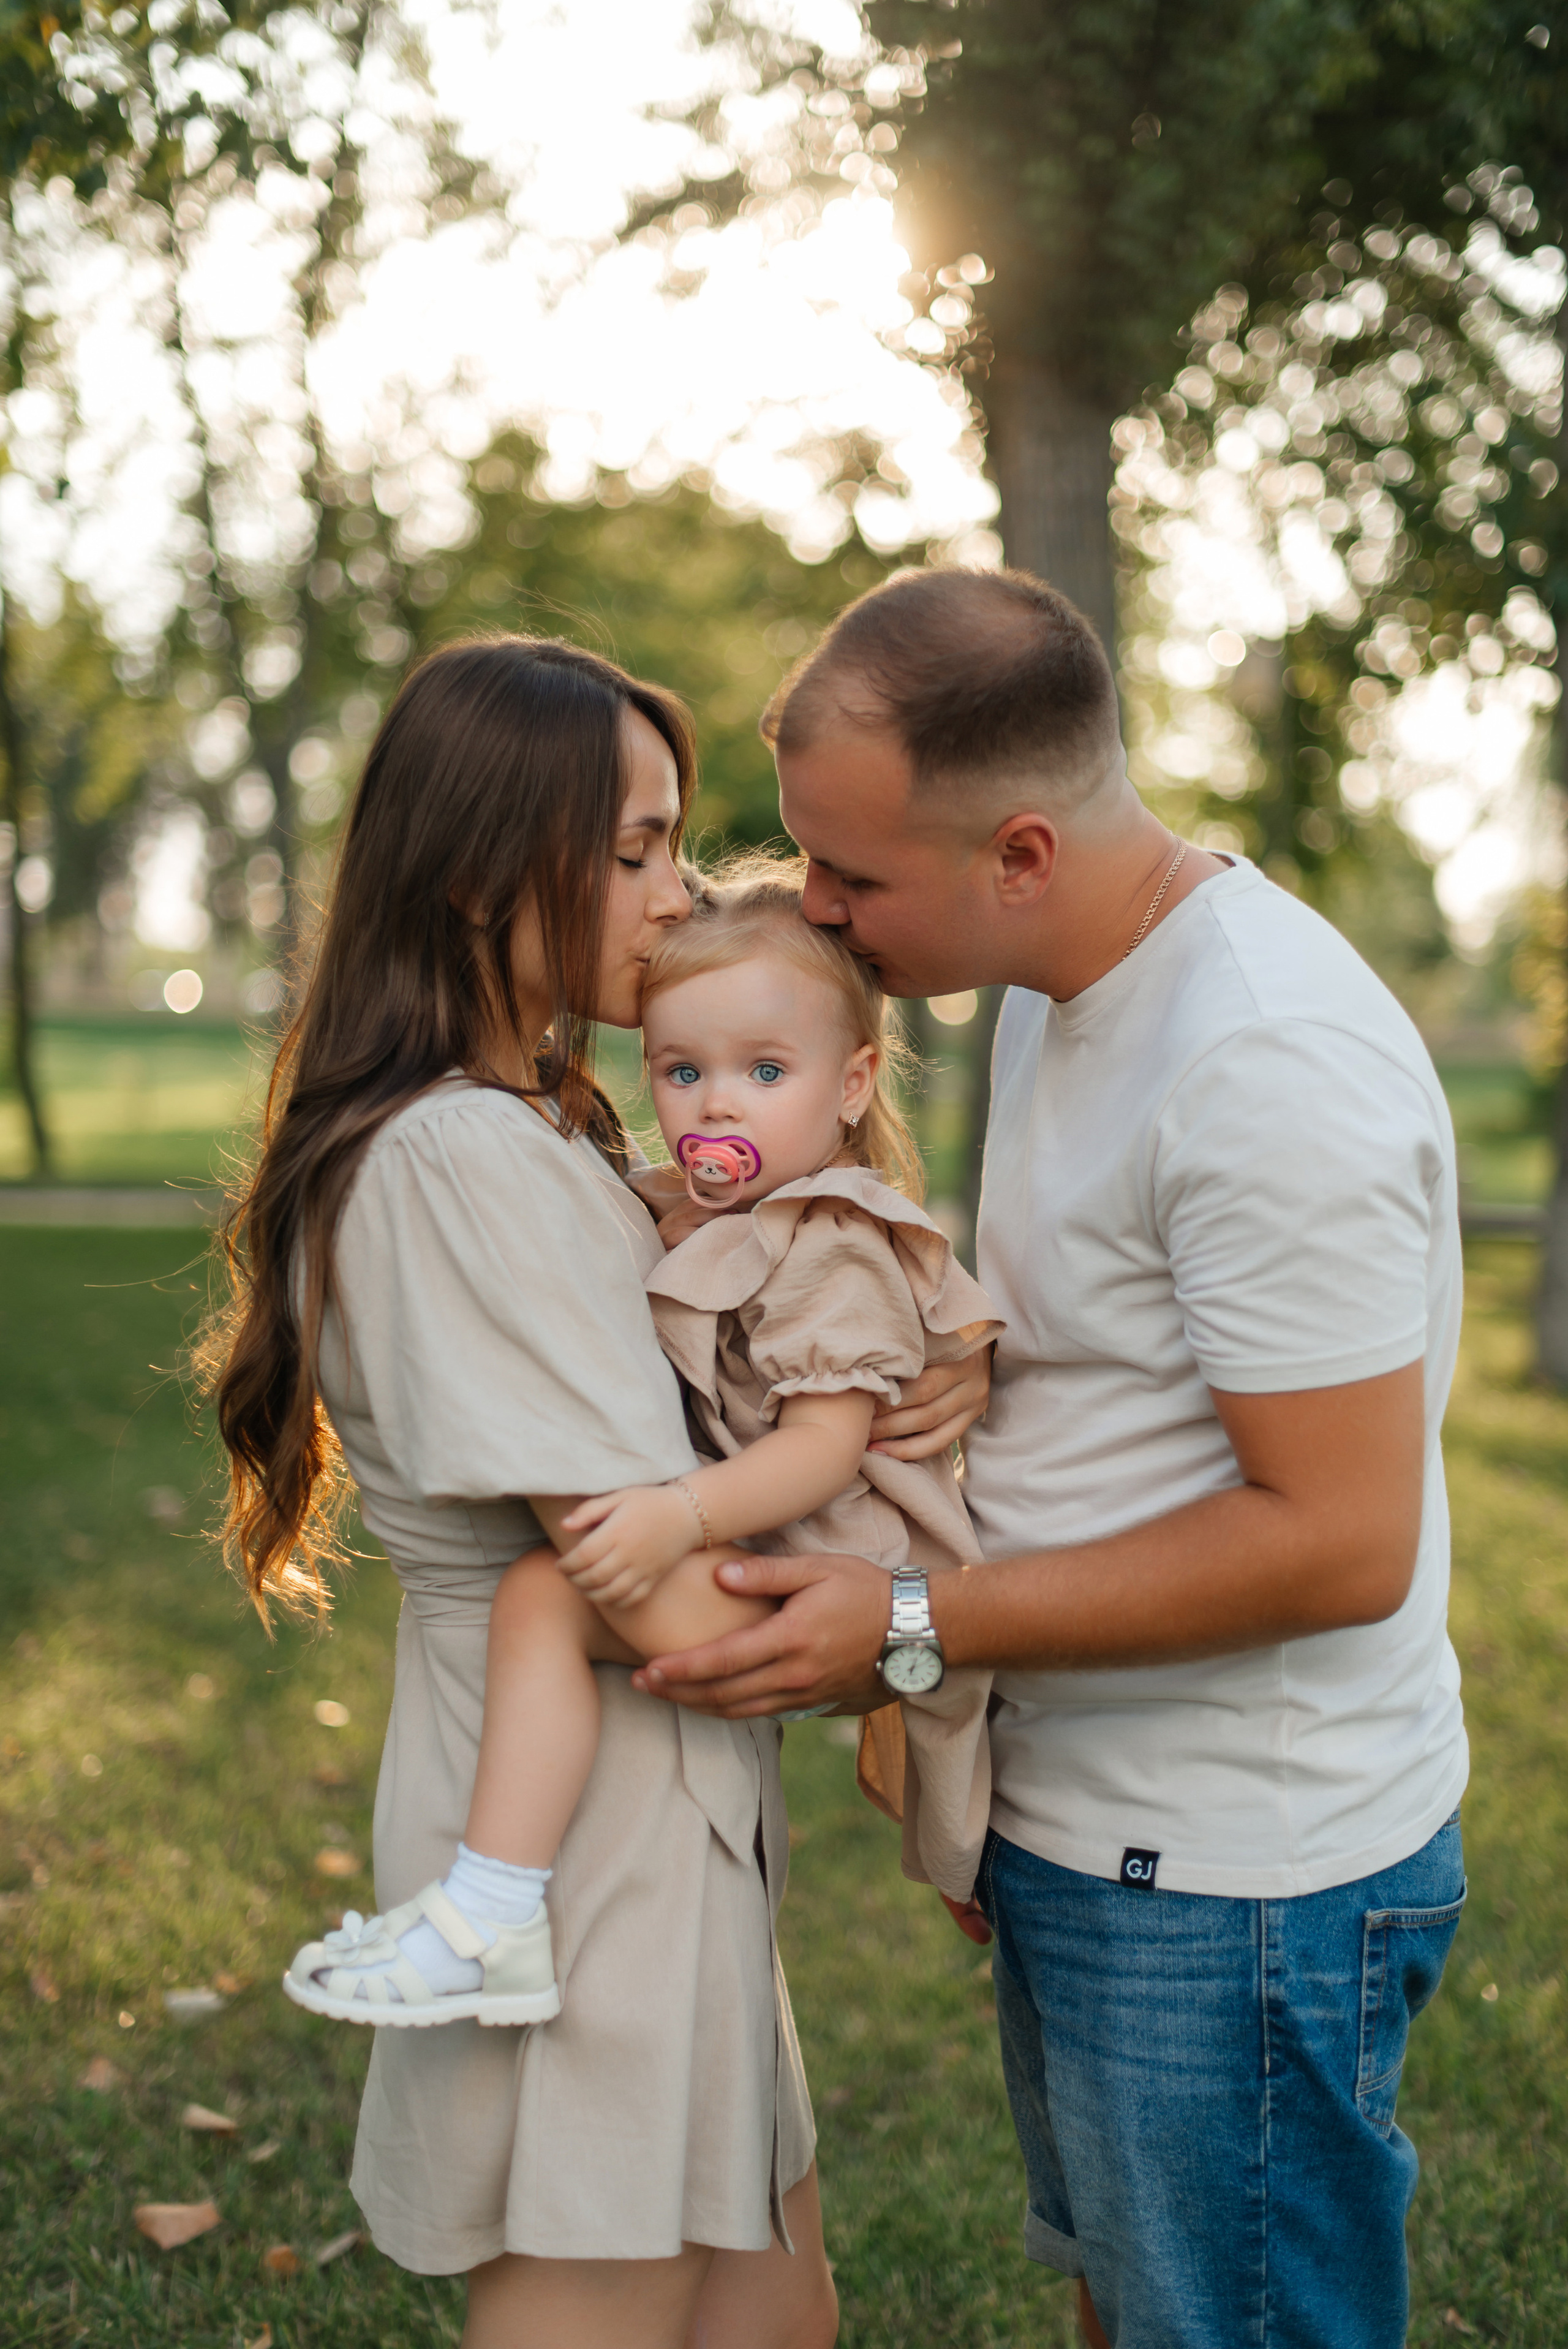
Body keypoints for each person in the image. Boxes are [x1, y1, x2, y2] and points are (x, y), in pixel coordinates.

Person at [630, 568, 1469, 2349]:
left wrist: (908, 1625)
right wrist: (966, 1360)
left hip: (1236, 1876)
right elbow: (1126, 1331)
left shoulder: (1263, 1061)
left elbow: (1339, 1540)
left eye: (850, 875)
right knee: (1127, 2305)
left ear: (1019, 851)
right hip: (1094, 1822)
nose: (816, 911)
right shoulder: (1046, 983)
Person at [212, 634, 894, 2349]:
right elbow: (636, 1579)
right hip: (579, 1855)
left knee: (772, 2318)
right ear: (474, 875)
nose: (679, 895)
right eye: (634, 850)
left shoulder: (549, 1130)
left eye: (676, 843)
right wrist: (918, 1638)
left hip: (666, 1827)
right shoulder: (457, 1157)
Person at [280, 860, 1001, 2032]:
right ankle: (494, 1913)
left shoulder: (832, 1241)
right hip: (781, 1542)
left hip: (843, 1559)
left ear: (855, 1082)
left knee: (543, 1597)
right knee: (543, 1599)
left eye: (765, 1072)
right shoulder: (703, 1205)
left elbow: (823, 1451)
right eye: (682, 1070)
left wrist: (681, 1512)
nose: (718, 1106)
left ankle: (490, 1913)